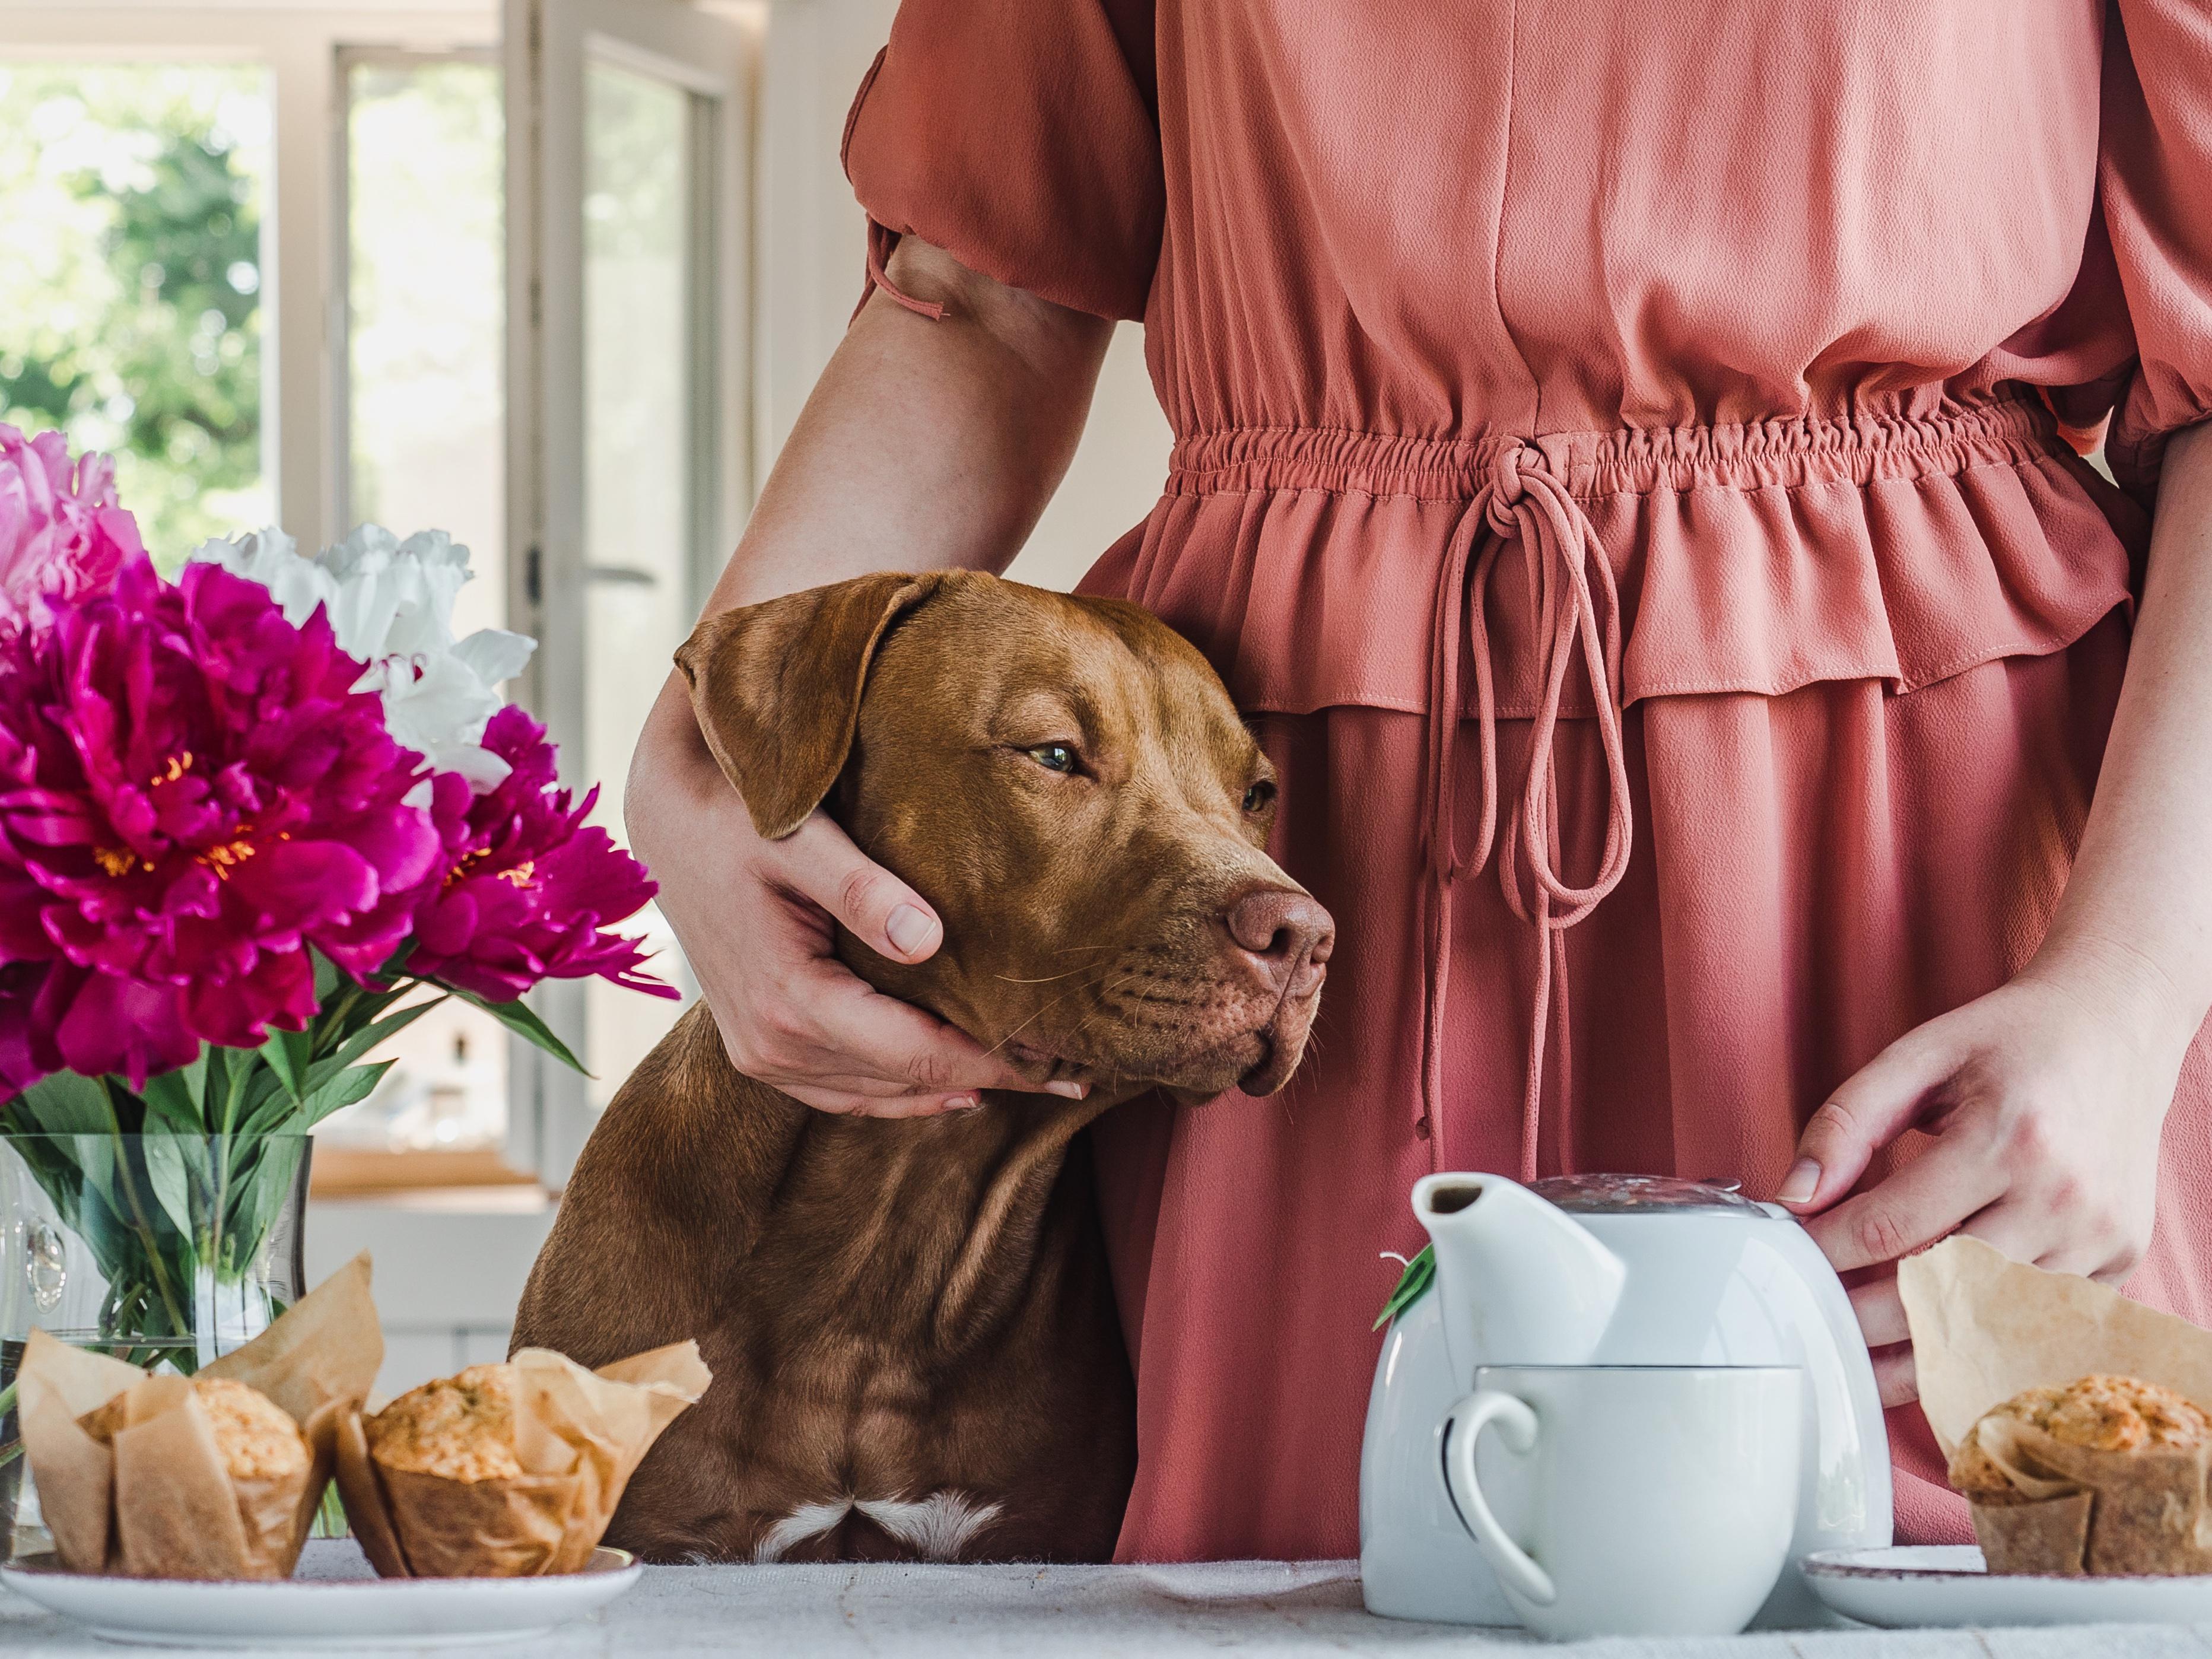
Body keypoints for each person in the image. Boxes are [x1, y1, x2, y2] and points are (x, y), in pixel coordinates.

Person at [625, 1, 2212, 1559]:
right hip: (1300, 886)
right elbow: (983, 296)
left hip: (1935, 883)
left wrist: (2132, 997)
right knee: (1314, 1565)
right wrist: (719, 748)